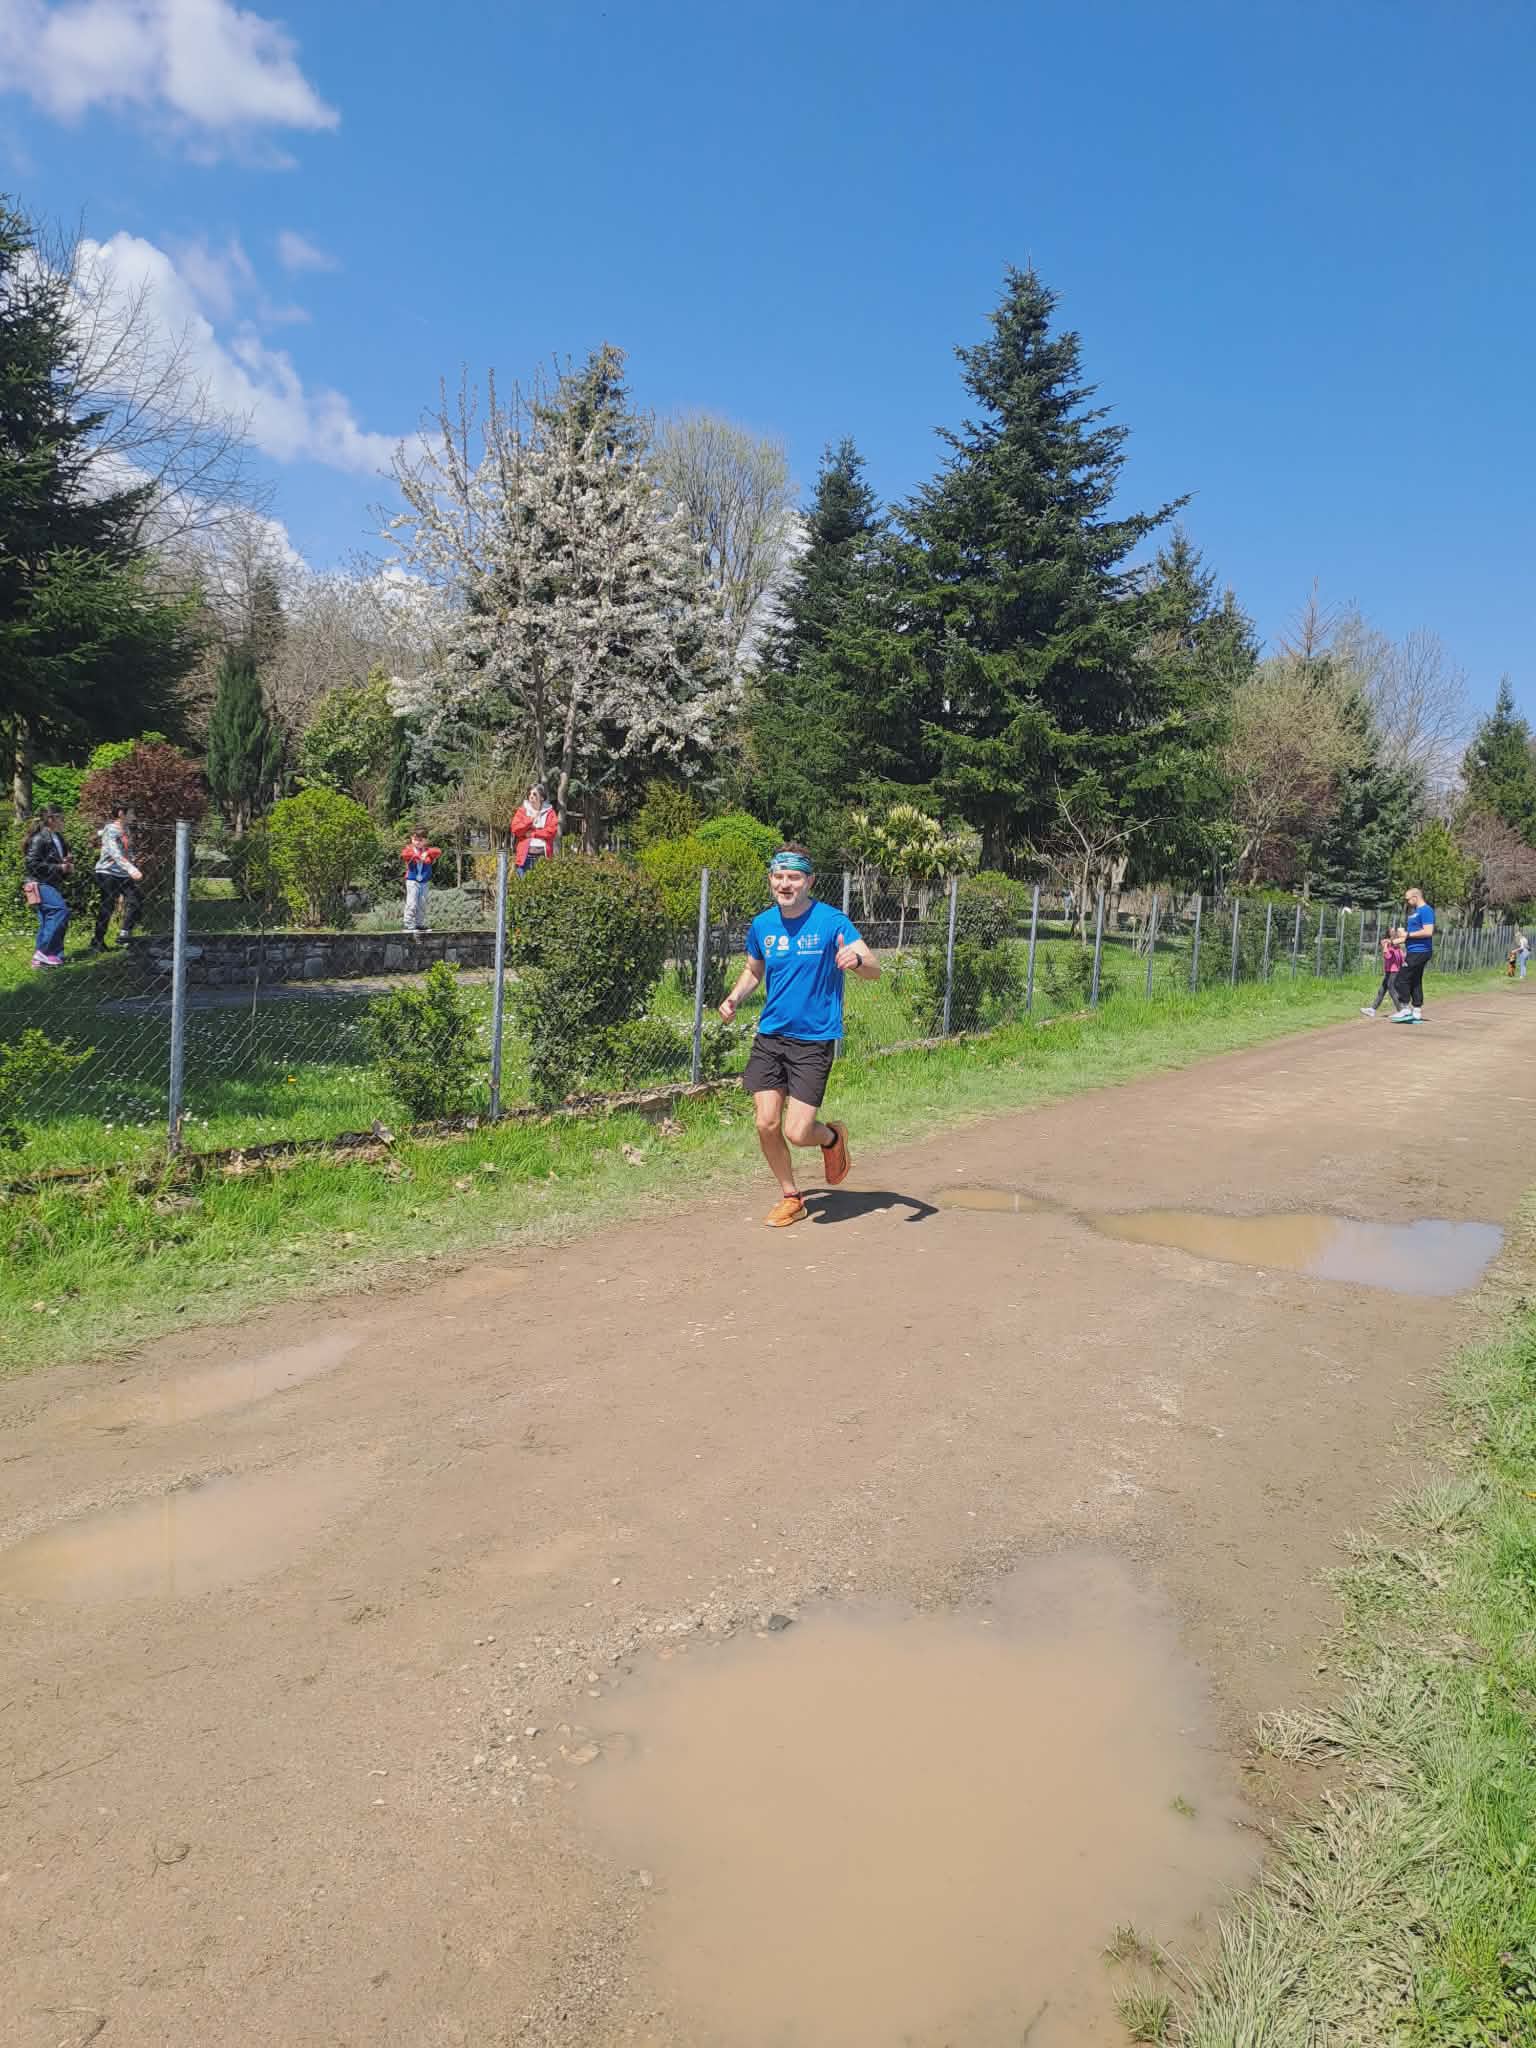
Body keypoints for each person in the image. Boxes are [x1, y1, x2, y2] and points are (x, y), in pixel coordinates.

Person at [718, 843, 880, 1228]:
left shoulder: (831, 921)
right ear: (771, 880)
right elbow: (754, 969)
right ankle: (792, 1196)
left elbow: (874, 968)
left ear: (810, 881)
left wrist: (856, 960)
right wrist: (735, 997)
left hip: (813, 1039)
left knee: (797, 1131)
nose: (785, 884)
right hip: (771, 1035)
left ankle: (831, 1139)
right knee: (766, 1123)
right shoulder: (763, 925)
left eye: (793, 877)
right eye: (779, 876)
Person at [89, 804, 144, 952]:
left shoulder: (125, 830)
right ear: (121, 813)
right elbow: (115, 853)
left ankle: (124, 934)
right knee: (107, 906)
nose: (134, 817)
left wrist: (133, 862)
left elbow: (127, 851)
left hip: (123, 873)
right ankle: (97, 941)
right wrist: (131, 869)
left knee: (136, 900)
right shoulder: (111, 830)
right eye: (131, 813)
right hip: (107, 872)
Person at [22, 806, 73, 968]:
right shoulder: (40, 838)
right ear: (51, 819)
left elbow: (57, 860)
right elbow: (31, 864)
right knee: (60, 911)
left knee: (47, 920)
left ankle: (49, 958)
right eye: (61, 818)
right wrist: (59, 867)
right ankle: (44, 952)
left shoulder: (58, 837)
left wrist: (66, 864)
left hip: (52, 882)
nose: (64, 821)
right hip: (39, 883)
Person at [1392, 886, 1435, 1023]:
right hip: (1414, 950)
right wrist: (1396, 940)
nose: (1407, 902)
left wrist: (1407, 934)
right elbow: (1411, 936)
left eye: (1408, 899)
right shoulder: (1416, 912)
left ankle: (1405, 1008)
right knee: (1415, 980)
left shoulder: (1426, 910)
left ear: (1415, 897)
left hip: (1420, 951)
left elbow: (1428, 932)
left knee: (1400, 979)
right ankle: (1417, 1011)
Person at [511, 784, 560, 875]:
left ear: (542, 797)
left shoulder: (550, 812)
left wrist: (533, 833)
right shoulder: (522, 811)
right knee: (523, 883)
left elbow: (551, 832)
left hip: (543, 857)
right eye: (529, 794)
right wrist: (530, 820)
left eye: (534, 794)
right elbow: (516, 829)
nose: (531, 796)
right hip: (525, 857)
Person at [400, 829, 442, 931]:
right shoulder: (409, 849)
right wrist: (418, 857)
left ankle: (420, 923)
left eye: (420, 840)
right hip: (412, 880)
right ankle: (408, 923)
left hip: (424, 881)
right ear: (412, 839)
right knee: (412, 902)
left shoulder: (428, 851)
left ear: (425, 841)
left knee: (422, 903)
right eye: (415, 839)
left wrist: (426, 854)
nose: (418, 842)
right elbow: (404, 855)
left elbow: (438, 851)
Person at [1361, 926, 1406, 1017]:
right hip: (1389, 970)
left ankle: (1401, 1010)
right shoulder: (1385, 942)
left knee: (1391, 988)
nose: (1394, 932)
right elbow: (1387, 956)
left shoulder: (1396, 943)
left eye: (1394, 931)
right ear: (1388, 933)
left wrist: (1403, 962)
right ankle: (1372, 1009)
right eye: (1392, 931)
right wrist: (1386, 945)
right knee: (1382, 989)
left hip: (1394, 970)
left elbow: (1399, 954)